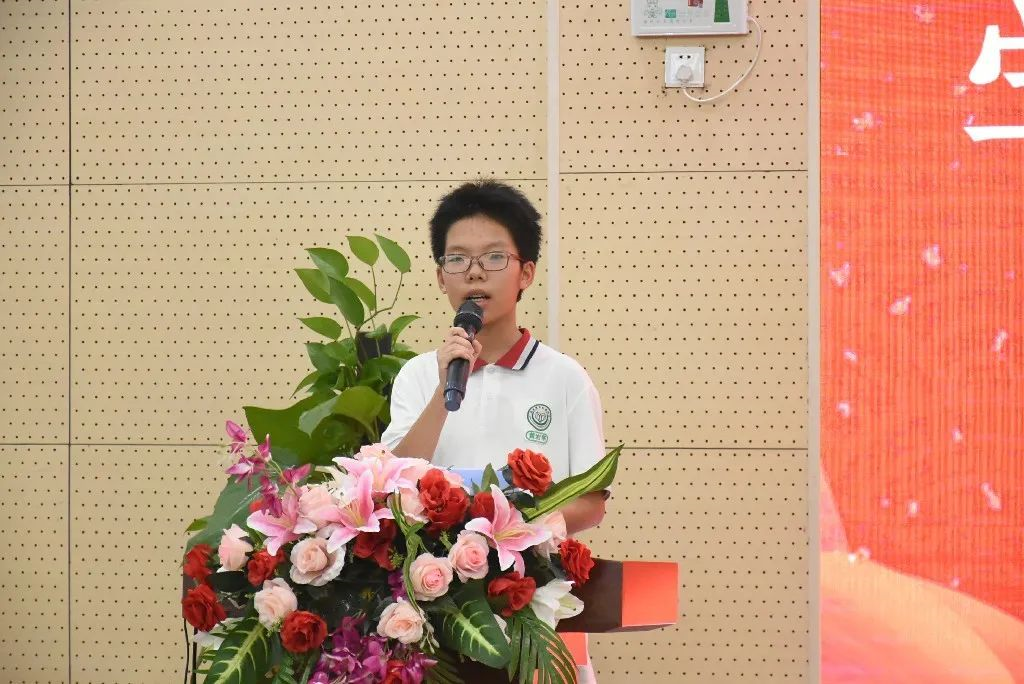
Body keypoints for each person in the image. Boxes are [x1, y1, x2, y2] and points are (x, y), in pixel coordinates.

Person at [380, 179, 609, 537]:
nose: (474, 271)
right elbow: (392, 483)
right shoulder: (417, 374)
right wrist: (442, 393)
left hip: (531, 567)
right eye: (458, 258)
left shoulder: (565, 378)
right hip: (433, 568)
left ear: (526, 273)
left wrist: (510, 531)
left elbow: (591, 502)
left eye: (494, 257)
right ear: (441, 278)